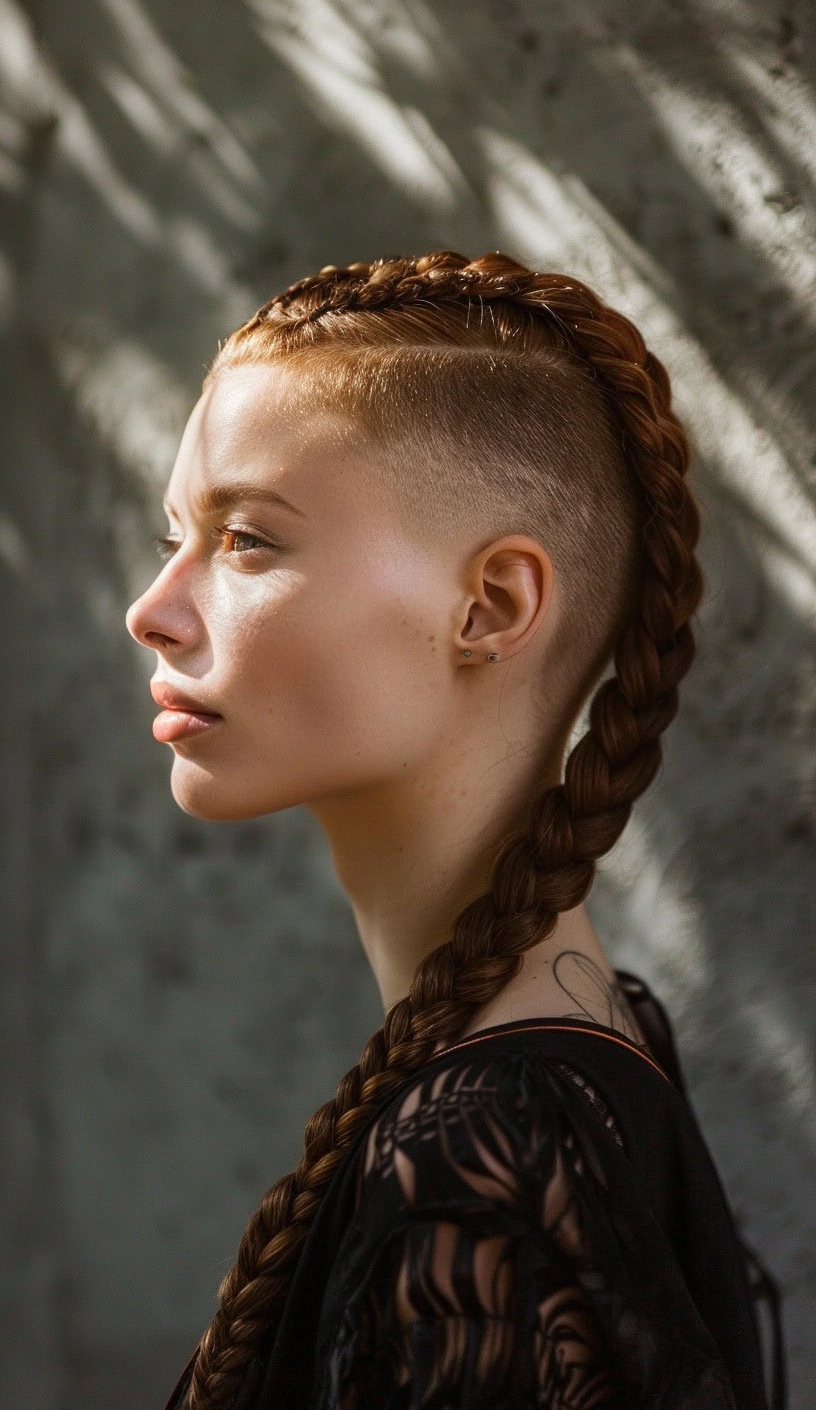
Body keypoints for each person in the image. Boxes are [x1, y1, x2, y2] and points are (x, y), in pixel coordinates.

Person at [125, 251, 785, 1410]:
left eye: (246, 540)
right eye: (176, 531)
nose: (154, 609)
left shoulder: (483, 1169)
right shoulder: (584, 1051)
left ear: (491, 607)